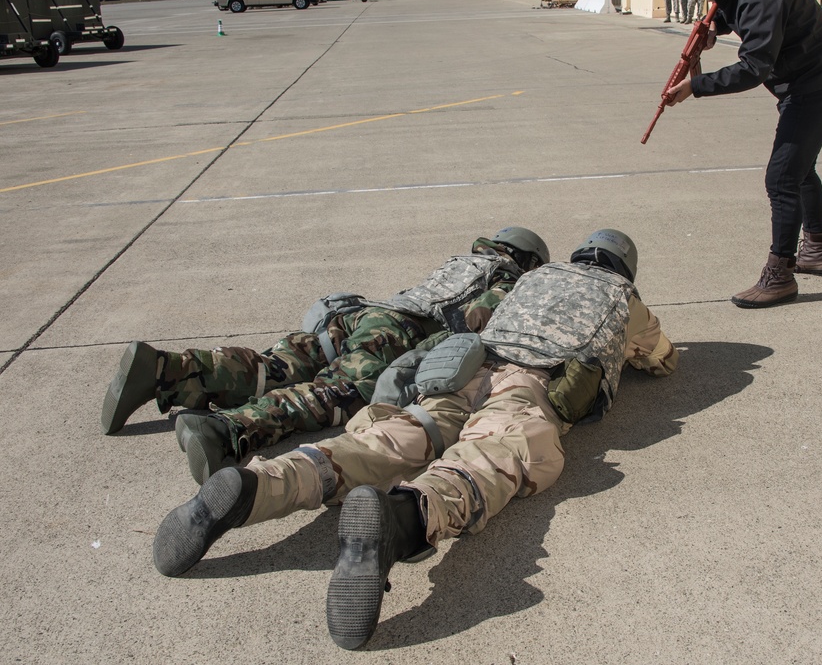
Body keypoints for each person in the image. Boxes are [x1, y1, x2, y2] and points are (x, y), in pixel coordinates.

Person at [151, 229, 678, 650]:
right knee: (489, 458)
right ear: (624, 266)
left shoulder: (531, 280)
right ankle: (406, 518)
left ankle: (259, 485)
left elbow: (473, 319)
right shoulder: (620, 295)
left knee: (393, 438)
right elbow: (662, 359)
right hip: (530, 384)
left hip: (466, 370)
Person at [102, 227, 549, 483]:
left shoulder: (461, 262)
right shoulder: (506, 283)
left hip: (366, 314)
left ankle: (165, 369)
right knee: (337, 393)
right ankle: (226, 430)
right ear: (528, 262)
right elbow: (475, 321)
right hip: (397, 333)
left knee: (273, 368)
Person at [664, 0, 822, 308]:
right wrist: (716, 29)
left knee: (781, 178)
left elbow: (753, 68)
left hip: (815, 87)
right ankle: (816, 248)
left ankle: (779, 275)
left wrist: (696, 86)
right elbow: (731, 6)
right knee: (801, 169)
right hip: (800, 82)